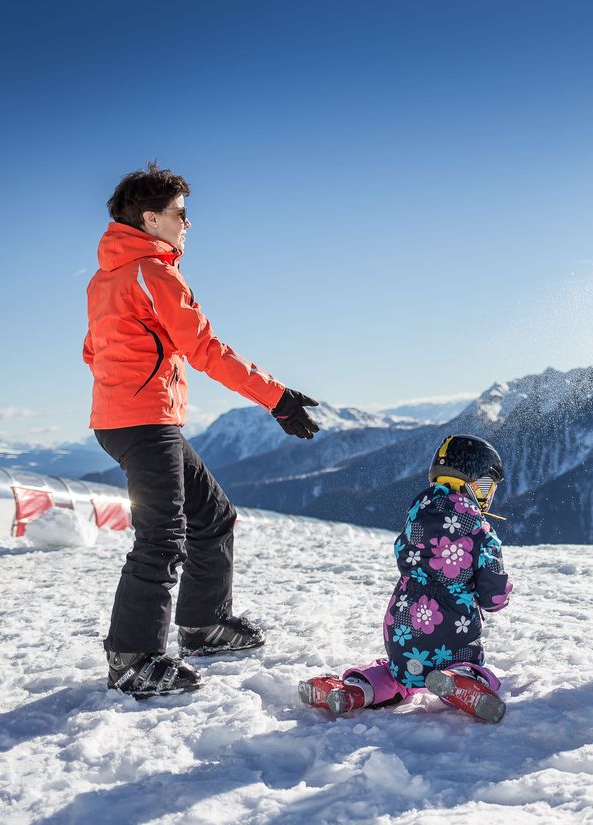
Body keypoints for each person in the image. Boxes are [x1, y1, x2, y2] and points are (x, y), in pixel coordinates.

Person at [85, 162, 321, 697]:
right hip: (144, 419)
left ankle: (204, 625)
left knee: (212, 517)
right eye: (180, 214)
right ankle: (132, 660)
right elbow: (205, 348)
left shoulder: (107, 278)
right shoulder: (153, 271)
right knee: (163, 536)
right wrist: (278, 399)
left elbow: (91, 350)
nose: (188, 224)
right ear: (151, 218)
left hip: (128, 417)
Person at [299, 435, 512, 723]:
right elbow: (493, 597)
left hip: (401, 621)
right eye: (488, 487)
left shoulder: (417, 512)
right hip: (452, 626)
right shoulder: (480, 529)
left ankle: (354, 690)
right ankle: (460, 680)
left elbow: (402, 552)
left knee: (397, 672)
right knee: (468, 664)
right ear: (477, 484)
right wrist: (499, 591)